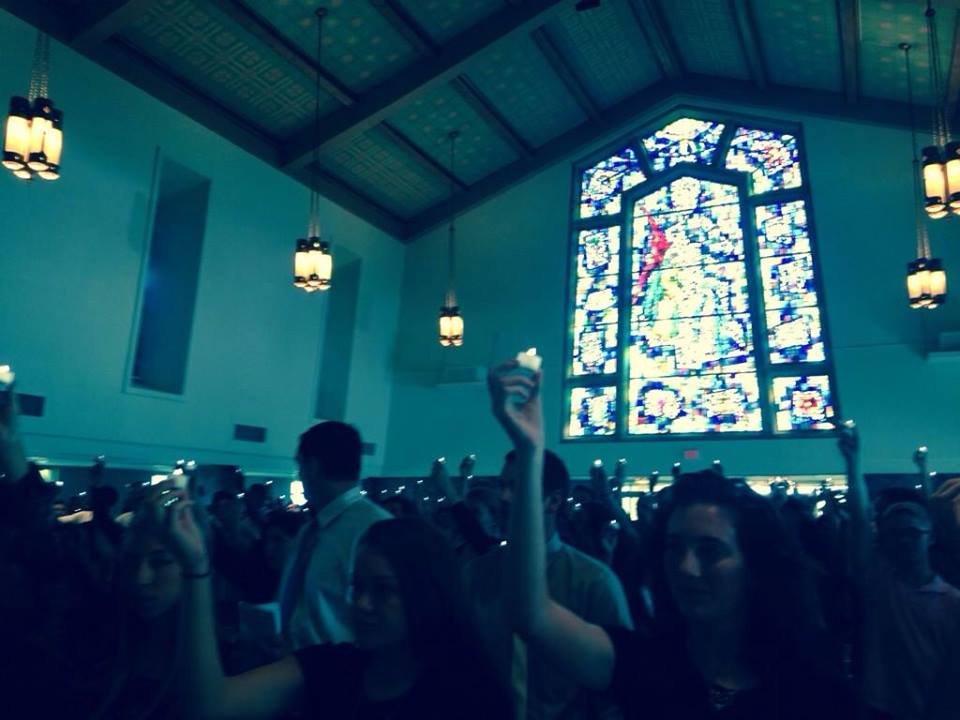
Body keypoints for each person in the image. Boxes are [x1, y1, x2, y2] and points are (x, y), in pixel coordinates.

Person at [487, 359, 854, 720]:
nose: (686, 567)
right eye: (675, 547)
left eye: (710, 551)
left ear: (755, 565)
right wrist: (530, 451)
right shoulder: (647, 667)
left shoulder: (813, 691)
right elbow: (531, 614)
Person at [162, 499, 512, 720]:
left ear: (425, 594)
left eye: (383, 590)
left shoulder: (466, 695)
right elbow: (210, 704)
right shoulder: (334, 668)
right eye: (357, 587)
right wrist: (196, 568)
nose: (361, 604)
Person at [466, 446, 633, 719]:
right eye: (502, 485)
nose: (504, 497)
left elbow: (618, 686)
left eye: (518, 487)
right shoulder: (476, 574)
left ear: (553, 502)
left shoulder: (593, 582)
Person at [839, 425, 960, 720]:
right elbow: (859, 518)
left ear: (929, 537)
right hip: (880, 711)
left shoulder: (952, 603)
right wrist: (853, 463)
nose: (904, 539)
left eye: (911, 532)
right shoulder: (880, 582)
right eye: (895, 533)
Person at [277, 421, 391, 649]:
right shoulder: (310, 530)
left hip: (341, 673)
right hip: (292, 667)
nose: (300, 475)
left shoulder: (376, 529)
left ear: (313, 467)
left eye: (300, 465)